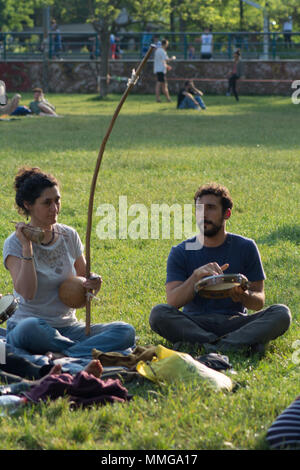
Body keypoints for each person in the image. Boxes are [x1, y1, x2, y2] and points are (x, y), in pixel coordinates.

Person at [3, 167, 136, 360]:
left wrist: (93, 284)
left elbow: (83, 280)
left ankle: (66, 354)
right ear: (28, 205)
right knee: (31, 328)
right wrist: (27, 247)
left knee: (125, 331)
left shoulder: (68, 235)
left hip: (68, 328)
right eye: (47, 203)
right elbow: (27, 292)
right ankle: (85, 351)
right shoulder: (14, 243)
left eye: (57, 201)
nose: (54, 208)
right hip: (31, 328)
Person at [149, 183, 291, 355]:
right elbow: (172, 302)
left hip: (235, 322)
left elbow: (259, 301)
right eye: (199, 209)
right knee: (158, 314)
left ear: (227, 213)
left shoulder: (246, 247)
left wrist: (244, 296)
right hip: (195, 322)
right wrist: (195, 277)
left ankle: (206, 345)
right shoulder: (181, 251)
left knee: (281, 313)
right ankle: (235, 344)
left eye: (210, 208)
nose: (203, 214)